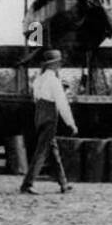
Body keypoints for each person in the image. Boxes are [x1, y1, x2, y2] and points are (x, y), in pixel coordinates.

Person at [20, 49, 76, 195]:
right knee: (42, 151)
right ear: (55, 64)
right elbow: (62, 103)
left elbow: (35, 98)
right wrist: (71, 123)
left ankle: (63, 183)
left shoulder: (38, 79)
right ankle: (27, 184)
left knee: (52, 149)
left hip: (39, 114)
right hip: (50, 115)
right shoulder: (54, 81)